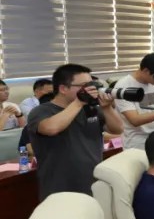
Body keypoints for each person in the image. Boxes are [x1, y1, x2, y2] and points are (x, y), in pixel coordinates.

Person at [27, 65, 124, 199]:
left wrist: (107, 108)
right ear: (63, 88)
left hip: (93, 181)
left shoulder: (90, 108)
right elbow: (51, 128)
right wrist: (79, 102)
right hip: (59, 187)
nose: (91, 89)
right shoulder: (41, 111)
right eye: (85, 86)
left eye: (92, 85)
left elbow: (117, 129)